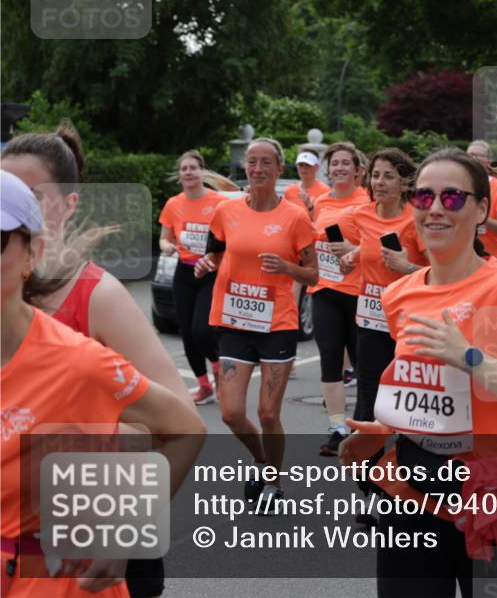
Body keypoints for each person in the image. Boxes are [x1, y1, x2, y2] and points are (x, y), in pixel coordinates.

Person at [339, 148, 497, 597]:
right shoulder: (400, 295)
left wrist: (471, 358)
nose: (436, 209)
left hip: (496, 500)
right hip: (410, 498)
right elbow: (422, 391)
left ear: (482, 209)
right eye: (424, 198)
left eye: (453, 198)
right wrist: (384, 429)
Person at [3, 124, 195, 598]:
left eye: (33, 193)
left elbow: (173, 419)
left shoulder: (97, 293)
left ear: (69, 204)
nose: (18, 201)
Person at [195, 138, 318, 510]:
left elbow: (313, 275)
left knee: (267, 413)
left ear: (279, 170)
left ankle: (274, 483)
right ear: (245, 167)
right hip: (233, 320)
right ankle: (264, 463)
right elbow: (213, 252)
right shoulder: (226, 211)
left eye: (266, 163)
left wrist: (287, 268)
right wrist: (206, 264)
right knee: (231, 413)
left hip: (276, 323)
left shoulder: (296, 217)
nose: (258, 168)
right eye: (252, 162)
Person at [339, 148, 427, 424]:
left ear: (404, 183)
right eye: (375, 175)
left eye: (388, 176)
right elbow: (368, 248)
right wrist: (351, 258)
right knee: (368, 386)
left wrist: (406, 268)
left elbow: (440, 273)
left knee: (403, 389)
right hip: (371, 316)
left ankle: (403, 453)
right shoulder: (362, 215)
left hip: (409, 319)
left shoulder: (418, 219)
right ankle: (361, 457)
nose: (379, 182)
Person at [309, 142, 370, 455]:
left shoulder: (367, 201)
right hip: (325, 290)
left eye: (346, 163)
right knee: (330, 357)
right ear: (328, 170)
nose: (340, 169)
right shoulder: (320, 202)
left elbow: (375, 244)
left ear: (358, 171)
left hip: (359, 293)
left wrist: (352, 251)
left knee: (362, 363)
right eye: (334, 164)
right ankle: (337, 427)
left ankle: (363, 424)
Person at [158, 150, 226, 404]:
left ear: (202, 172)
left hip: (210, 271)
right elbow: (165, 237)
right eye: (184, 168)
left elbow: (230, 235)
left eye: (193, 168)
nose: (188, 172)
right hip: (184, 271)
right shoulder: (173, 204)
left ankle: (218, 368)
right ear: (179, 175)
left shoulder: (219, 202)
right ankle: (203, 385)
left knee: (201, 328)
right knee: (186, 331)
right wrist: (166, 247)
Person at [466, 141, 497, 258]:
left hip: (493, 254)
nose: (472, 158)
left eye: (477, 155)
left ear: (489, 161)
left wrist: (479, 217)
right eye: (469, 154)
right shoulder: (458, 183)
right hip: (465, 252)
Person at [283, 150, 330, 215]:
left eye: (308, 165)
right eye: (300, 165)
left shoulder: (325, 190)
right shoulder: (289, 190)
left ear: (317, 167)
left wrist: (309, 204)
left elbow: (325, 219)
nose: (304, 168)